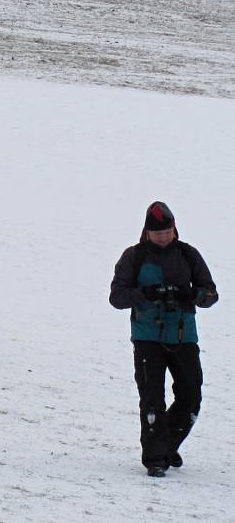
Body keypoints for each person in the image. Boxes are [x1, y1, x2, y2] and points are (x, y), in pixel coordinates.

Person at [109, 201, 218, 478]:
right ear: (147, 232)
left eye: (168, 232)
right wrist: (146, 293)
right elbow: (117, 297)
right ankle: (155, 458)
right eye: (158, 233)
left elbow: (211, 294)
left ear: (175, 229)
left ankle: (168, 445)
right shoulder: (133, 257)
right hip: (147, 338)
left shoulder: (188, 254)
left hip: (184, 336)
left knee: (191, 397)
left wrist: (190, 295)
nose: (164, 237)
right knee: (152, 400)